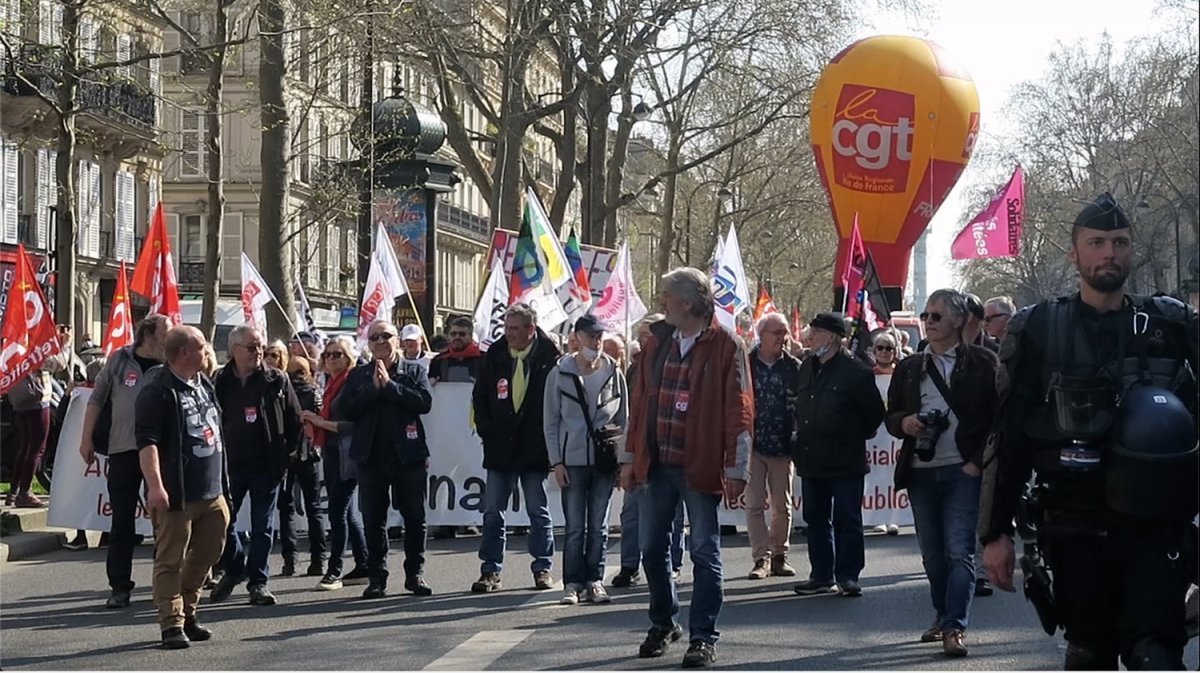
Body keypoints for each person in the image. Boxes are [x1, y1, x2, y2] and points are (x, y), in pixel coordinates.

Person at [980, 193, 1199, 670]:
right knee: (1089, 653)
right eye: (1096, 243)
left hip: (1156, 524)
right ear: (1073, 254)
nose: (1109, 253)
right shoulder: (1037, 328)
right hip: (1075, 523)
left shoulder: (1171, 323)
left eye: (1119, 242)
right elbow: (1009, 435)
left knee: (1157, 654)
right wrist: (993, 533)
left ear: (1131, 250)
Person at [622, 267, 753, 668]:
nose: (662, 304)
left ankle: (703, 636)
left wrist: (736, 468)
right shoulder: (657, 343)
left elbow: (740, 410)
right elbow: (639, 405)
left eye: (667, 297)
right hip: (657, 464)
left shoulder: (727, 345)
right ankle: (664, 622)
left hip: (698, 465)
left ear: (688, 303)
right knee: (650, 549)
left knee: (703, 551)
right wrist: (629, 459)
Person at [884, 289, 999, 657]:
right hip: (920, 470)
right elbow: (890, 417)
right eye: (926, 315)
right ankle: (942, 613)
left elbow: (998, 420)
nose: (929, 322)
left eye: (936, 316)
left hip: (962, 470)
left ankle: (955, 626)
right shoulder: (909, 366)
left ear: (959, 321)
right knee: (932, 555)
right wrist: (906, 422)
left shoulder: (983, 362)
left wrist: (975, 463)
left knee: (959, 551)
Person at [134, 326, 230, 649]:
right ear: (184, 353)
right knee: (170, 558)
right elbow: (147, 443)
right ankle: (171, 622)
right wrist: (155, 486)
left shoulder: (203, 383)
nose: (208, 352)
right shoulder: (157, 389)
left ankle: (188, 609)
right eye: (202, 347)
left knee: (209, 552)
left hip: (211, 490)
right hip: (178, 493)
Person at [791, 312, 886, 598]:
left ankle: (848, 575)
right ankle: (821, 574)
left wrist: (850, 435)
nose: (809, 338)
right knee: (815, 519)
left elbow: (874, 415)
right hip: (811, 457)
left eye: (815, 332)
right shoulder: (807, 366)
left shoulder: (856, 371)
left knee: (847, 519)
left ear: (832, 337)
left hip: (845, 460)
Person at [79, 313, 170, 608]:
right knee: (121, 522)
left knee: (164, 521)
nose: (170, 338)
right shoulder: (119, 361)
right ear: (148, 335)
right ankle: (119, 586)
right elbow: (96, 400)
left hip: (158, 452)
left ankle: (164, 582)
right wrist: (86, 438)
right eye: (165, 333)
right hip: (123, 451)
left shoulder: (169, 365)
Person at [209, 326, 304, 606]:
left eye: (260, 346)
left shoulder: (276, 379)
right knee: (220, 522)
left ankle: (258, 582)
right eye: (251, 347)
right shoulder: (220, 380)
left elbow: (295, 419)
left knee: (263, 526)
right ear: (234, 350)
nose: (258, 352)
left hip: (267, 464)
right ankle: (236, 567)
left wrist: (287, 455)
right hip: (231, 465)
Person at [340, 320, 435, 599]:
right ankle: (376, 577)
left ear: (397, 340)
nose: (380, 341)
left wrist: (391, 387)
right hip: (371, 458)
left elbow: (424, 402)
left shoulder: (414, 370)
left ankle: (415, 574)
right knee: (373, 519)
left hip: (408, 456)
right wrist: (373, 389)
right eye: (374, 337)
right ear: (368, 344)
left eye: (386, 336)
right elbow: (347, 409)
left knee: (415, 518)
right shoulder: (358, 375)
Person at [470, 303, 561, 593]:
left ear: (530, 329)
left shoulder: (550, 358)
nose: (508, 334)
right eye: (506, 328)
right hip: (500, 447)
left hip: (534, 447)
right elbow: (480, 395)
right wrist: (487, 429)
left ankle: (542, 567)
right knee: (493, 512)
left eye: (514, 328)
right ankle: (490, 570)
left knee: (538, 510)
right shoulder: (494, 356)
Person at [543, 314, 629, 605]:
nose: (597, 342)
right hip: (573, 460)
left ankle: (595, 580)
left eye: (600, 336)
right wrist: (557, 461)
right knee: (575, 526)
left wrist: (623, 461)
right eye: (591, 336)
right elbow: (551, 421)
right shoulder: (559, 373)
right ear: (577, 337)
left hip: (604, 460)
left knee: (599, 525)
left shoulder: (613, 370)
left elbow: (624, 419)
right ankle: (572, 583)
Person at [611, 314, 688, 589]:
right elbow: (632, 415)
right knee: (630, 513)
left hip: (669, 452)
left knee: (673, 516)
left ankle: (674, 564)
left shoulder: (672, 361)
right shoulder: (635, 368)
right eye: (642, 335)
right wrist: (627, 457)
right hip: (640, 449)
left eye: (648, 335)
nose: (644, 340)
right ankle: (628, 565)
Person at [301, 336, 369, 591]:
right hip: (331, 450)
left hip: (346, 453)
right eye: (328, 354)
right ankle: (364, 563)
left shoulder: (352, 382)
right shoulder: (330, 383)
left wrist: (319, 422)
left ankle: (335, 570)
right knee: (348, 513)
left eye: (337, 354)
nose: (331, 359)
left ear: (349, 356)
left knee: (337, 511)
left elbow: (353, 425)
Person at [745, 312, 801, 580]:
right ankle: (761, 558)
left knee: (782, 505)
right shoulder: (744, 365)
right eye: (776, 332)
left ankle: (780, 555)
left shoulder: (795, 367)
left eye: (785, 332)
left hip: (782, 446)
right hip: (752, 445)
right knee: (754, 504)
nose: (782, 338)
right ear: (761, 334)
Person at [277, 356, 327, 578]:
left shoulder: (281, 392)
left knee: (286, 507)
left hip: (286, 455)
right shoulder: (314, 392)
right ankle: (318, 559)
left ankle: (290, 559)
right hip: (308, 454)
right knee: (313, 507)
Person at [6, 368, 55, 508]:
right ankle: (24, 493)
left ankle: (14, 491)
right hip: (37, 399)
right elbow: (56, 364)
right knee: (37, 448)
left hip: (20, 399)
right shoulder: (36, 350)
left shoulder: (16, 349)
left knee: (25, 446)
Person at [429, 316, 484, 384]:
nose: (457, 337)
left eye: (462, 334)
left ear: (470, 336)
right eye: (453, 334)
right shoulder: (439, 360)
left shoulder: (484, 360)